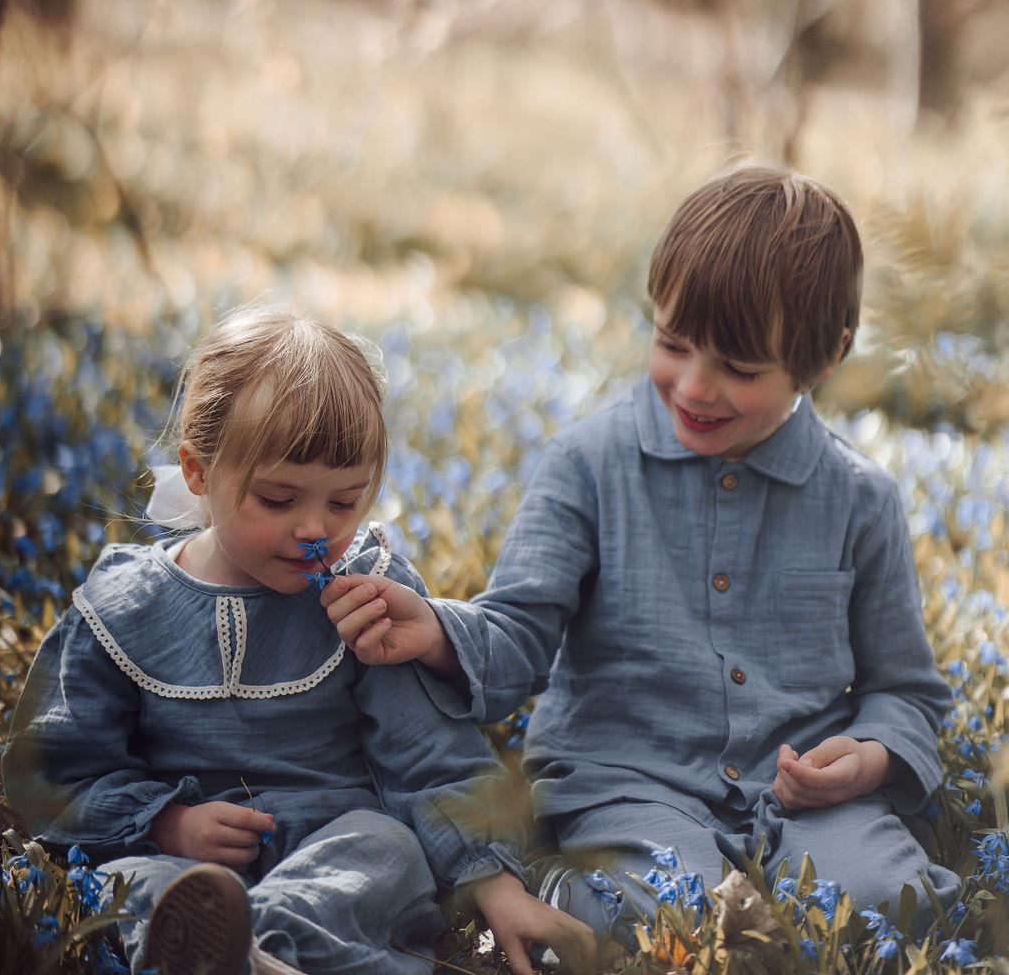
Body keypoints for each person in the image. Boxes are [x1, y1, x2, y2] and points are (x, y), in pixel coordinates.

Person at [323, 166, 960, 939]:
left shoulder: (861, 498)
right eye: (672, 344)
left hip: (805, 794)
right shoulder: (589, 463)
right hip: (626, 782)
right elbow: (518, 632)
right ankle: (567, 888)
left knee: (894, 902)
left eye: (739, 368)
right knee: (675, 911)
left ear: (825, 359)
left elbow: (905, 690)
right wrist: (436, 630)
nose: (694, 386)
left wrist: (868, 756)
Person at [4, 307, 597, 975]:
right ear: (197, 472)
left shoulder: (366, 595)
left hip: (332, 843)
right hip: (182, 855)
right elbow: (58, 770)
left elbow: (428, 756)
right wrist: (169, 824)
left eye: (343, 503)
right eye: (278, 500)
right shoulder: (126, 606)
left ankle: (256, 949)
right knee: (136, 880)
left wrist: (497, 885)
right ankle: (215, 939)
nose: (314, 529)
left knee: (385, 849)